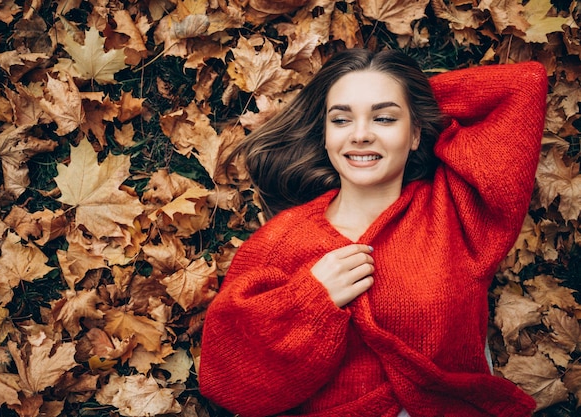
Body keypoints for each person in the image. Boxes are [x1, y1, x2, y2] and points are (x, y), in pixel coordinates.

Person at [199, 48, 548, 417]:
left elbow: (523, 86)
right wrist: (311, 302)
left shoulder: (458, 211)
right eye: (341, 120)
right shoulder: (281, 240)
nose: (361, 135)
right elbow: (226, 382)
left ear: (415, 135)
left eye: (383, 118)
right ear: (325, 135)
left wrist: (408, 95)